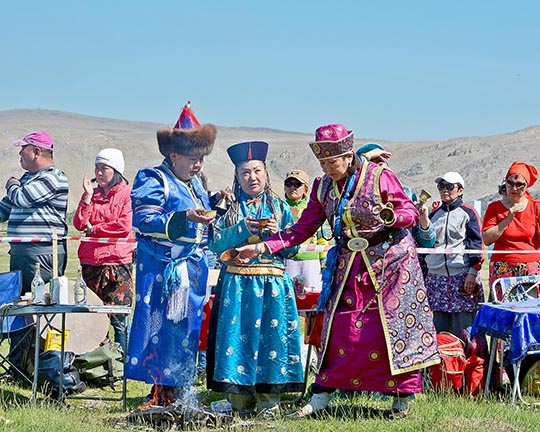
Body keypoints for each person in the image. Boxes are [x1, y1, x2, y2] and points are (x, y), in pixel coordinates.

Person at [237, 124, 439, 419]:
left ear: (347, 155)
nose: (328, 168)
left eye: (332, 162)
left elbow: (408, 212)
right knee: (341, 326)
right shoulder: (322, 187)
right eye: (323, 163)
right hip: (350, 264)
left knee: (390, 328)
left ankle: (401, 398)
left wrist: (392, 216)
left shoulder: (379, 175)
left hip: (391, 263)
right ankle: (322, 393)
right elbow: (301, 229)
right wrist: (262, 247)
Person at [124, 104, 218, 407]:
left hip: (192, 270)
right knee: (161, 327)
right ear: (173, 155)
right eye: (192, 159)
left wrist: (217, 202)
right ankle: (160, 392)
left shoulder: (196, 184)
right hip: (162, 269)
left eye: (201, 159)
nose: (198, 165)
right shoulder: (153, 178)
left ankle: (180, 390)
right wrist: (184, 217)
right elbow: (144, 220)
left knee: (186, 329)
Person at [208, 141, 304, 419]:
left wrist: (277, 235)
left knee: (272, 340)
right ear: (237, 177)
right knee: (239, 339)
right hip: (237, 286)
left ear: (266, 173)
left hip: (273, 286)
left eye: (257, 171)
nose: (252, 177)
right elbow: (215, 243)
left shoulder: (280, 207)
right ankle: (239, 401)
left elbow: (293, 248)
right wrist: (241, 228)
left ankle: (269, 401)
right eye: (245, 173)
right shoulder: (228, 208)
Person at [0, 131, 69, 376]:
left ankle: (46, 366)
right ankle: (19, 364)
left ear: (37, 152)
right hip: (21, 252)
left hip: (42, 254)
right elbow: (6, 207)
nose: (20, 154)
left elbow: (22, 198)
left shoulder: (53, 177)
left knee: (40, 306)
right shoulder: (27, 179)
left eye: (24, 149)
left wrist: (11, 183)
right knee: (18, 306)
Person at [72, 148, 133, 348]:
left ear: (116, 170)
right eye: (96, 168)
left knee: (119, 318)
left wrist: (95, 229)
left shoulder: (127, 194)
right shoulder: (92, 194)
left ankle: (123, 360)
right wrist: (87, 197)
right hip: (91, 262)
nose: (98, 173)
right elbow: (79, 224)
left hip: (117, 263)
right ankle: (97, 361)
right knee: (93, 317)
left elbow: (124, 226)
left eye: (104, 168)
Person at [424, 172, 484, 336]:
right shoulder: (433, 215)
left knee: (464, 329)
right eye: (441, 186)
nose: (445, 190)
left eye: (450, 186)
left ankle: (469, 354)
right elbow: (425, 244)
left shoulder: (469, 213)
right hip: (437, 280)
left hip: (462, 277)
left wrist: (472, 272)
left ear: (460, 190)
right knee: (440, 330)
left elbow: (476, 244)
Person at [482, 162, 540, 299]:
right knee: (502, 306)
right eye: (510, 183)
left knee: (529, 307)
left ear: (526, 186)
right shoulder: (494, 208)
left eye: (519, 184)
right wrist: (508, 219)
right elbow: (487, 239)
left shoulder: (536, 207)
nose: (514, 188)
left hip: (531, 267)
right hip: (502, 267)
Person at [283, 169, 326, 293]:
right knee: (288, 297)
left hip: (311, 261)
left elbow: (322, 238)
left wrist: (324, 265)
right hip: (287, 260)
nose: (292, 188)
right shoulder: (278, 208)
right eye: (289, 184)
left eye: (297, 184)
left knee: (313, 296)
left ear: (306, 188)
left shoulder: (314, 209)